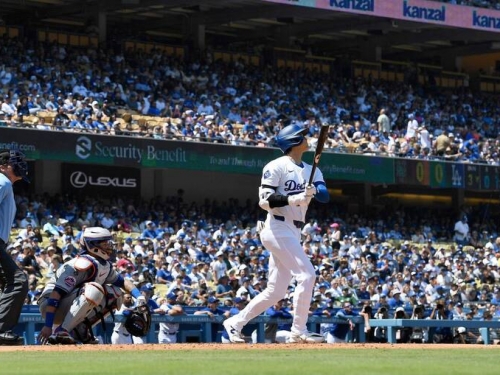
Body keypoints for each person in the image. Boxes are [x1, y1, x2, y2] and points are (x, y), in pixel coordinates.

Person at [223, 123, 330, 344]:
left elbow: (325, 195)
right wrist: (293, 198)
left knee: (276, 291)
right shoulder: (276, 166)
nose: (306, 139)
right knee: (307, 275)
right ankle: (298, 331)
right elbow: (265, 200)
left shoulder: (313, 169)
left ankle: (235, 323)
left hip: (294, 229)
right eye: (302, 136)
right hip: (276, 227)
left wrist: (314, 190)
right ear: (293, 142)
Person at [37, 227, 144, 345]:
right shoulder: (79, 264)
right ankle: (61, 331)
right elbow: (55, 294)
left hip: (69, 302)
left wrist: (139, 297)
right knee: (94, 289)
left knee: (116, 293)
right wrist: (48, 325)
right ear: (92, 245)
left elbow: (123, 282)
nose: (109, 246)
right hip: (49, 305)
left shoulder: (103, 264)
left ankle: (80, 329)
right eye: (105, 243)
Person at [0, 149, 29, 345]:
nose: (19, 165)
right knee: (17, 281)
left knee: (7, 283)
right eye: (13, 162)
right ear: (3, 166)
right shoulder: (2, 181)